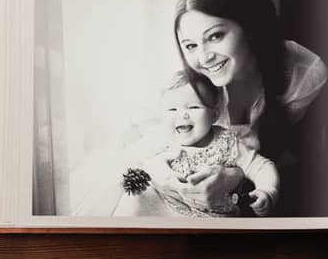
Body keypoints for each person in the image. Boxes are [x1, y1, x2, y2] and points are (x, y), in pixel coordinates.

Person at [155, 0, 328, 216]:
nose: (204, 57)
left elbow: (277, 151)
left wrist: (236, 176)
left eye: (215, 36)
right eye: (191, 46)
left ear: (250, 27)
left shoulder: (304, 72)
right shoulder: (186, 92)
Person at [114, 70, 278, 217]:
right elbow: (137, 162)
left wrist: (267, 191)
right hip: (167, 210)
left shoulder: (228, 141)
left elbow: (262, 166)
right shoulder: (164, 140)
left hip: (214, 218)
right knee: (134, 204)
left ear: (214, 115)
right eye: (172, 110)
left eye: (193, 107)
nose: (182, 115)